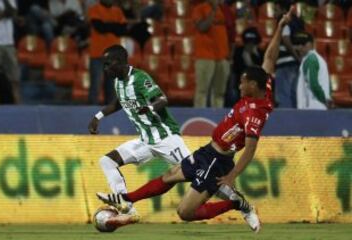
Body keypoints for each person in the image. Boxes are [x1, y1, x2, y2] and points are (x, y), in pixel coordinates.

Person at [98, 6, 295, 232]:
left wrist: (231, 177)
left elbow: (250, 149)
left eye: (243, 82)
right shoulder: (265, 86)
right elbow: (270, 56)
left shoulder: (255, 114)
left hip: (218, 160)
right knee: (170, 175)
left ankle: (236, 203)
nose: (239, 85)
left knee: (185, 212)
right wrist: (280, 27)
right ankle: (124, 198)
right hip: (208, 152)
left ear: (253, 85)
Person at [88, 45, 191, 216]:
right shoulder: (117, 82)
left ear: (118, 62)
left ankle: (236, 202)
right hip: (145, 140)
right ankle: (126, 206)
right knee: (107, 161)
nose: (105, 69)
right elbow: (118, 103)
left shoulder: (140, 78)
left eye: (107, 64)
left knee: (198, 173)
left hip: (165, 137)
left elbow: (162, 99)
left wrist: (149, 108)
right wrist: (98, 116)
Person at [192, 0, 231, 108]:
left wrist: (229, 53)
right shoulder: (199, 9)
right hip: (205, 56)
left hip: (222, 56)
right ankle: (199, 117)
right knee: (202, 91)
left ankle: (217, 118)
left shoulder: (224, 9)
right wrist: (213, 10)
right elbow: (202, 27)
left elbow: (231, 31)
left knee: (219, 92)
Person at [88, 0, 127, 104]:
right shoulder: (94, 9)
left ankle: (110, 115)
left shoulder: (118, 11)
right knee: (95, 86)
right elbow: (99, 27)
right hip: (97, 54)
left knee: (112, 88)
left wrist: (108, 25)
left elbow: (123, 30)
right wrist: (114, 26)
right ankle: (91, 113)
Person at [274, 0, 304, 108]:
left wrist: (296, 56)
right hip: (295, 64)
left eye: (276, 10)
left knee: (283, 96)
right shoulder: (299, 21)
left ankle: (285, 124)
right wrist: (299, 58)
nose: (274, 12)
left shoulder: (284, 20)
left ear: (283, 10)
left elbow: (285, 39)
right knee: (293, 94)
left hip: (284, 64)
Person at [293, 31, 332, 110]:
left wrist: (325, 100)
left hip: (314, 107)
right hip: (316, 106)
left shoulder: (311, 59)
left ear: (311, 44)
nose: (300, 47)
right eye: (297, 44)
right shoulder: (313, 59)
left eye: (303, 44)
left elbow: (313, 84)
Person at [0, 0, 20, 104]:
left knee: (14, 79)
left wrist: (3, 11)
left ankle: (17, 108)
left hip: (9, 43)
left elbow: (13, 14)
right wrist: (3, 14)